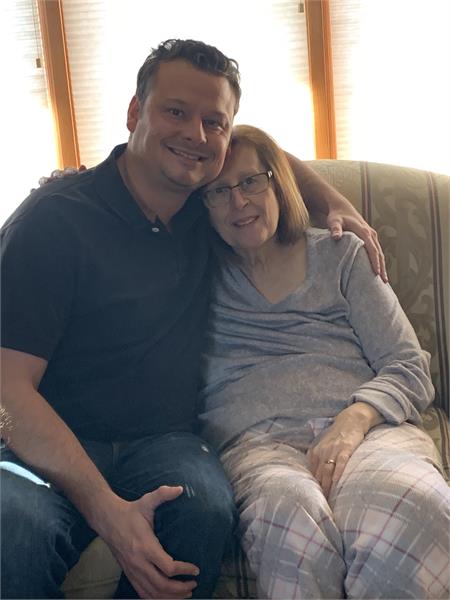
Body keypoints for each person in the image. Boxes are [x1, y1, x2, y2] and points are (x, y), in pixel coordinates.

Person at [1, 38, 384, 599]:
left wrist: (335, 204)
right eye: (175, 112)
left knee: (204, 509)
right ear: (135, 112)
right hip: (51, 439)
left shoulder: (212, 210)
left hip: (164, 440)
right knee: (12, 531)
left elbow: (266, 162)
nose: (196, 136)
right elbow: (8, 390)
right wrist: (108, 511)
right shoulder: (54, 220)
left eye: (214, 122)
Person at [199, 124, 450, 599]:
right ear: (203, 206)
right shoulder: (194, 276)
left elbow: (408, 365)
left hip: (370, 433)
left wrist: (355, 419)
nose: (239, 202)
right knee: (288, 515)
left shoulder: (342, 255)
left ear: (279, 182)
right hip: (259, 446)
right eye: (219, 191)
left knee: (414, 504)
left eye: (251, 181)